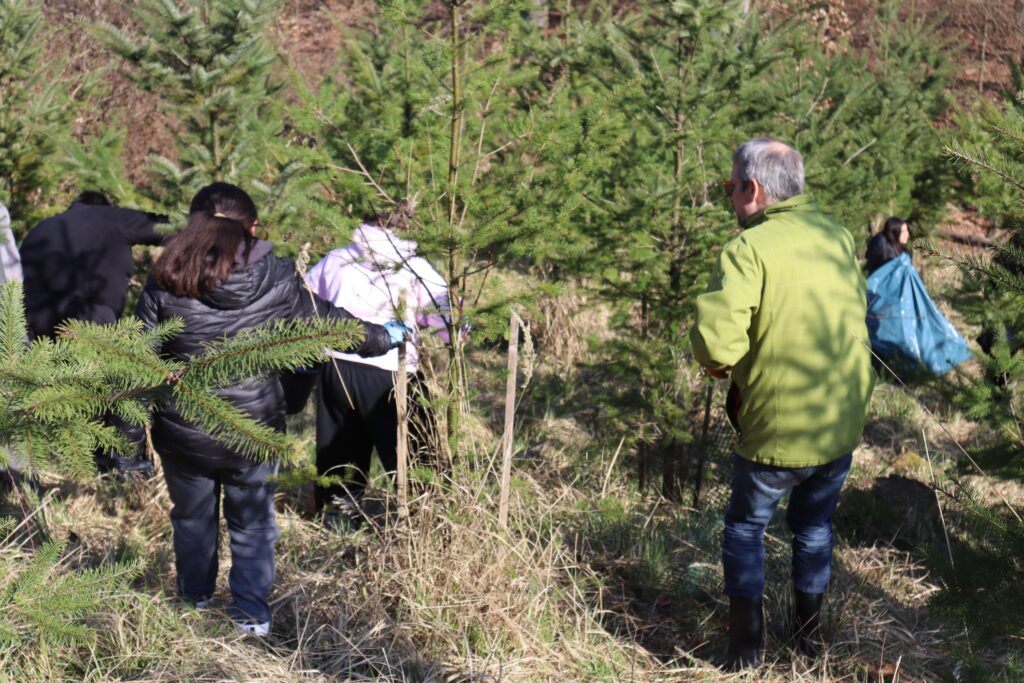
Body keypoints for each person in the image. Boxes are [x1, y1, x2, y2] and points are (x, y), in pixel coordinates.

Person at [135, 183, 401, 636]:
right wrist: (383, 337)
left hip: (183, 430)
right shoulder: (275, 277)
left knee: (192, 517)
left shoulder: (164, 278)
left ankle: (194, 601)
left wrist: (126, 447)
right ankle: (251, 617)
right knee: (253, 522)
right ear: (252, 228)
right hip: (253, 430)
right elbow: (326, 326)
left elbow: (137, 364)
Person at [689, 137, 874, 669]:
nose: (729, 198)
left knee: (746, 527)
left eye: (730, 187)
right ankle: (809, 642)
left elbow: (718, 344)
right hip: (840, 422)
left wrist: (719, 366)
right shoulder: (838, 235)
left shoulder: (748, 249)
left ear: (753, 188)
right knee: (814, 528)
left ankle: (745, 653)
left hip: (775, 428)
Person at [305, 200, 450, 520]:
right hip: (392, 371)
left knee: (340, 447)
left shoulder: (337, 258)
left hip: (337, 368)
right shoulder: (417, 268)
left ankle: (339, 515)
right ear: (409, 225)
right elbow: (445, 324)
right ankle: (426, 518)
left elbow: (306, 302)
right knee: (410, 449)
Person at [20, 191, 169, 477]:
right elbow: (164, 227)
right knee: (122, 381)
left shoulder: (42, 228)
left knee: (65, 396)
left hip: (32, 323)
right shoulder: (110, 218)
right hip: (87, 317)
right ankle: (126, 465)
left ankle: (78, 461)